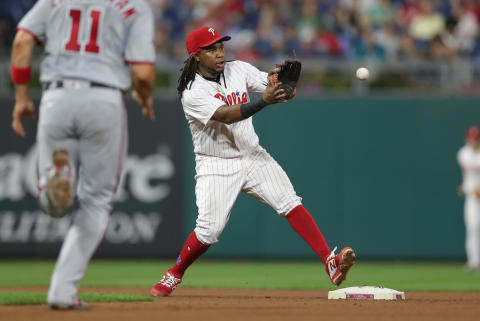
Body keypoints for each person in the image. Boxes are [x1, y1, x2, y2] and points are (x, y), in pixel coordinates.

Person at [150, 26, 356, 297]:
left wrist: (285, 85)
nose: (220, 53)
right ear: (196, 56)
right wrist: (265, 102)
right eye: (211, 49)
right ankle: (174, 273)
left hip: (252, 153)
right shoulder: (191, 91)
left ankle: (329, 263)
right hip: (216, 163)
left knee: (290, 202)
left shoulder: (239, 69)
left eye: (221, 46)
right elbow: (226, 115)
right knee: (208, 230)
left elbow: (273, 87)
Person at [10, 0, 156, 309]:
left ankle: (55, 188)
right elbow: (142, 74)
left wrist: (22, 97)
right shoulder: (134, 7)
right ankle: (62, 290)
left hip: (56, 96)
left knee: (55, 205)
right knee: (98, 199)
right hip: (103, 98)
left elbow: (22, 41)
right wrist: (145, 100)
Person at [458, 125, 480, 271]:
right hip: (473, 197)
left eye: (476, 138)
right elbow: (469, 177)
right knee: (472, 228)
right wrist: (466, 186)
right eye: (471, 138)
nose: (473, 140)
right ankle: (473, 262)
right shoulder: (463, 154)